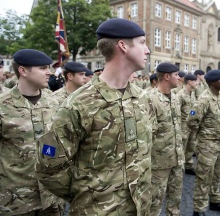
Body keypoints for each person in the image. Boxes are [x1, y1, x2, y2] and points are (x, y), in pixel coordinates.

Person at [35, 18, 154, 215]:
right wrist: (86, 195)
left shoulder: (142, 98)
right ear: (123, 46)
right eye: (142, 42)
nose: (147, 50)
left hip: (140, 208)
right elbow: (49, 167)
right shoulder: (78, 104)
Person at [0, 49, 62, 215]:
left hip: (51, 199)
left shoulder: (54, 102)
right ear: (23, 71)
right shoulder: (3, 106)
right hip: (15, 201)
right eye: (42, 68)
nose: (49, 72)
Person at [187, 69, 220, 215]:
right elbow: (191, 121)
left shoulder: (219, 96)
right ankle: (199, 209)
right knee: (203, 177)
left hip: (219, 144)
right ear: (213, 82)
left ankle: (215, 200)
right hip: (207, 145)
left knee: (217, 174)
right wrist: (204, 135)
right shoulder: (204, 99)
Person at [149, 62, 184, 216]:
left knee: (175, 200)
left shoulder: (175, 98)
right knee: (154, 203)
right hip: (158, 163)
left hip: (177, 158)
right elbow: (147, 135)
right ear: (167, 76)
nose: (179, 78)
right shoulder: (150, 100)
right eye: (177, 75)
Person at [176, 73, 198, 175]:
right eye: (195, 81)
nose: (197, 83)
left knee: (191, 146)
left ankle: (188, 165)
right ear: (190, 82)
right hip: (183, 126)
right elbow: (176, 112)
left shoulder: (192, 93)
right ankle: (179, 168)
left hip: (191, 126)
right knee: (182, 148)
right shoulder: (180, 95)